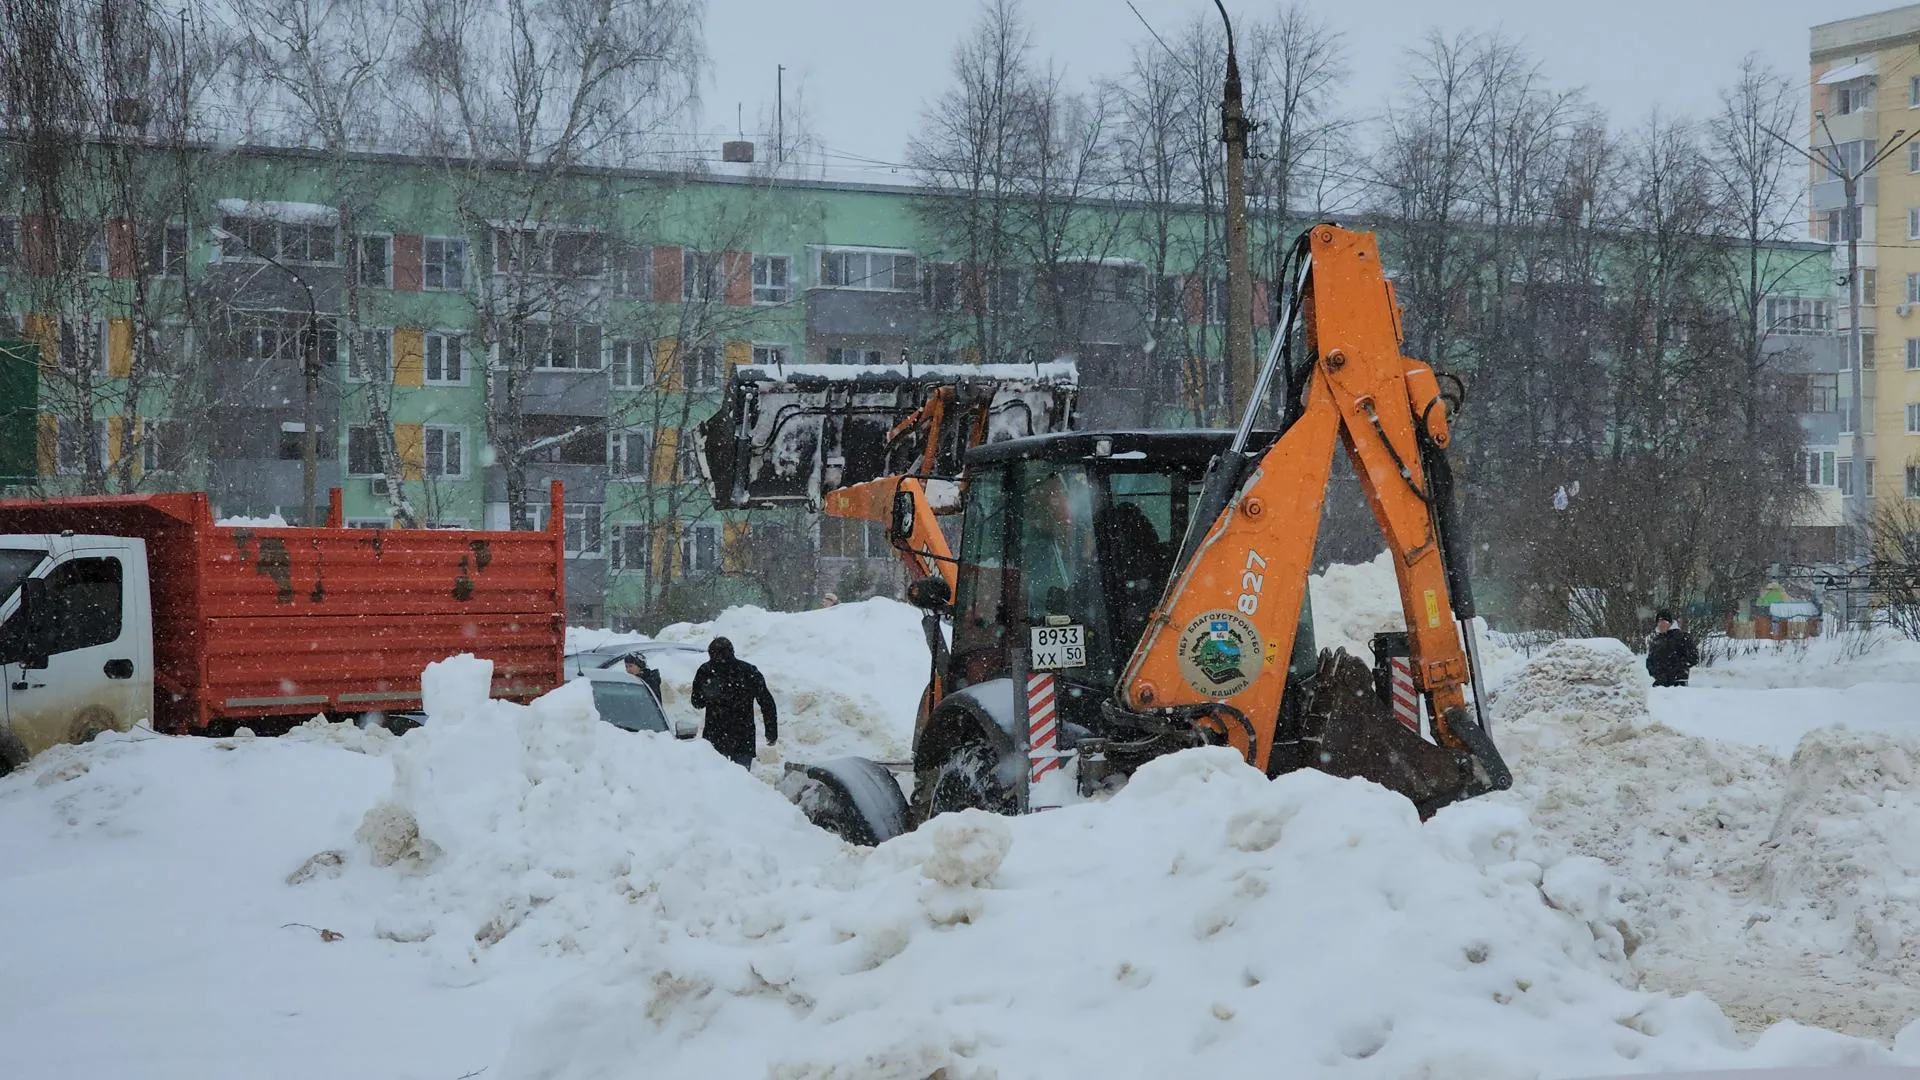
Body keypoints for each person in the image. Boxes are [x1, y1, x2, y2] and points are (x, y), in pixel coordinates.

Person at [688, 636, 778, 768]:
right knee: (740, 781)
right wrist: (771, 733)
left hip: (715, 737)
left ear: (711, 654)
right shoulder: (748, 671)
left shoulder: (706, 671)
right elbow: (767, 703)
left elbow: (697, 703)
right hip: (743, 738)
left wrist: (708, 693)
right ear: (732, 652)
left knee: (714, 780)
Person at [1646, 609, 1699, 687]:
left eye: (1663, 622)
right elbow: (1650, 660)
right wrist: (1655, 671)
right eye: (1659, 622)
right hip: (1660, 683)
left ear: (1670, 623)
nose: (1661, 625)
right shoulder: (1656, 640)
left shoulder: (1682, 637)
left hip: (1678, 683)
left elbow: (1693, 658)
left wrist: (1679, 667)